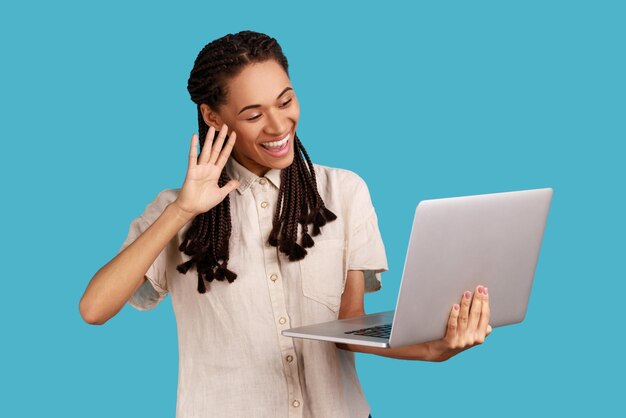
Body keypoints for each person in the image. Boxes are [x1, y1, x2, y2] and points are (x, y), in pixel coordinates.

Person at [79, 30, 492, 418]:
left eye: (285, 101)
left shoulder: (344, 192)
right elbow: (95, 309)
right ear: (212, 116)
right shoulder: (173, 211)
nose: (278, 126)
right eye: (253, 114)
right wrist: (183, 211)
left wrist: (434, 348)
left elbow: (350, 323)